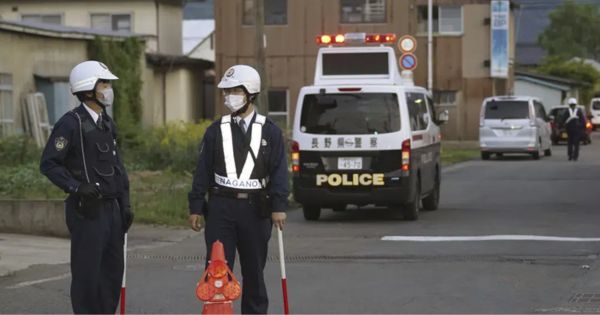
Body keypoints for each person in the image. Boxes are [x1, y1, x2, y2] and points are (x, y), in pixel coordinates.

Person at [188, 64, 288, 314]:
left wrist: (279, 207)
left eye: (234, 90)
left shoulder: (270, 131)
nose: (228, 97)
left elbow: (279, 172)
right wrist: (196, 206)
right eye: (226, 91)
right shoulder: (215, 130)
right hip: (221, 207)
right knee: (216, 269)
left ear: (250, 93)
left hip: (256, 209)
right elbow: (202, 170)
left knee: (254, 272)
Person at [40, 60, 133, 314]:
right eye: (104, 83)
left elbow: (118, 169)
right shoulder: (70, 124)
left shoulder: (106, 123)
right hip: (87, 211)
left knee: (112, 275)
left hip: (112, 210)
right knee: (87, 277)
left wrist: (125, 204)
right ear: (88, 89)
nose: (108, 88)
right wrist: (76, 187)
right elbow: (49, 164)